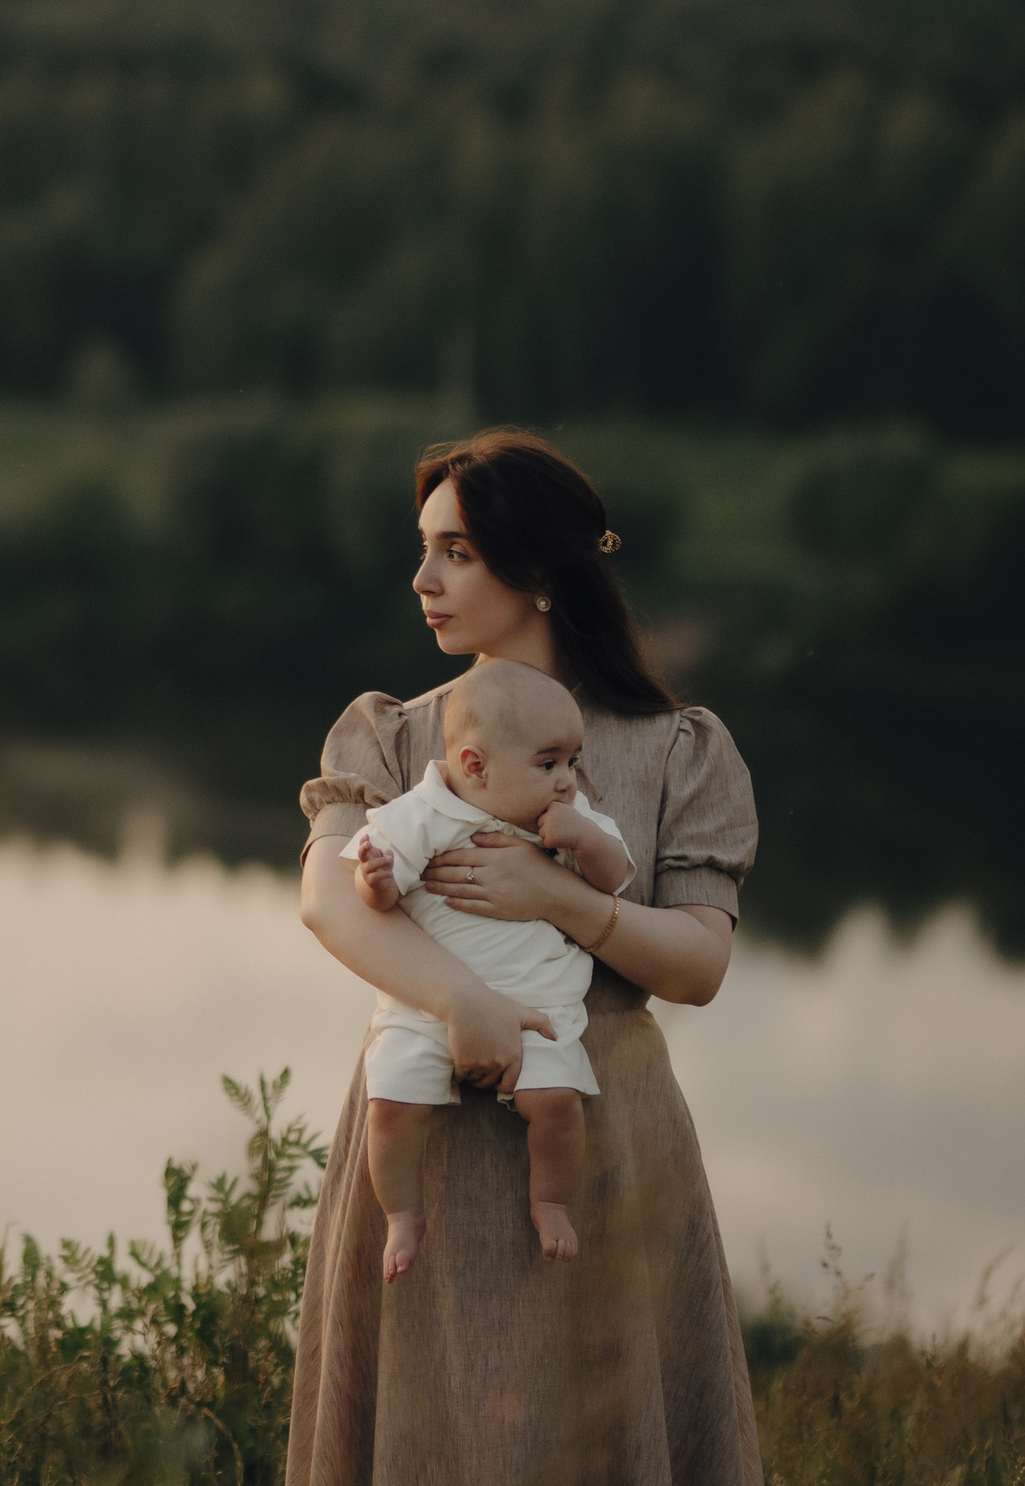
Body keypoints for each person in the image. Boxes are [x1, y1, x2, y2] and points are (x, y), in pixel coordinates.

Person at [289, 428, 762, 1486]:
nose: (422, 578)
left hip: (607, 1133)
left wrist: (556, 897)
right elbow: (328, 900)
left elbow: (696, 965)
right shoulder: (391, 736)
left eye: (454, 551)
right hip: (429, 1133)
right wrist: (466, 1004)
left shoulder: (677, 746)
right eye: (424, 549)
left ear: (540, 571)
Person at [346, 660, 633, 1277]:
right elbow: (381, 900)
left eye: (572, 762)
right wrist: (374, 883)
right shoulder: (421, 814)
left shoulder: (573, 824)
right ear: (475, 766)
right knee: (390, 1108)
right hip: (426, 1009)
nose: (566, 781)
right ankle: (402, 1213)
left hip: (541, 1012)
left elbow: (615, 883)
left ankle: (550, 1200)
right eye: (548, 763)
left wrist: (583, 841)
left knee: (557, 1103)